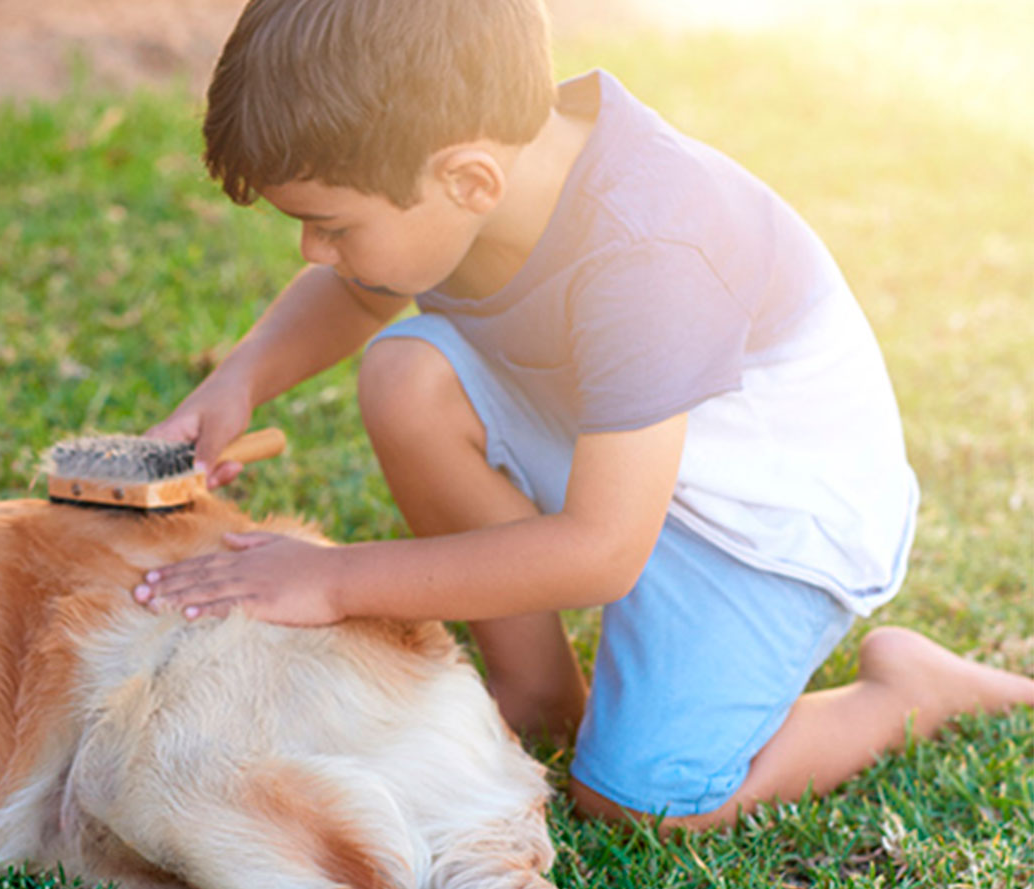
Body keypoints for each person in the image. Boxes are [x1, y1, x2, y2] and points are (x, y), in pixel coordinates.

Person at [135, 0, 1034, 829]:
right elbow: (363, 293)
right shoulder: (471, 165)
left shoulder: (649, 246)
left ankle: (908, 687)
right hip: (630, 451)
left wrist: (331, 579)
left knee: (645, 798)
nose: (313, 249)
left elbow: (603, 550)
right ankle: (536, 687)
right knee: (406, 375)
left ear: (469, 180)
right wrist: (238, 382)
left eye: (331, 224)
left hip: (766, 531)